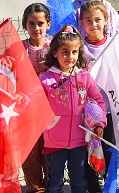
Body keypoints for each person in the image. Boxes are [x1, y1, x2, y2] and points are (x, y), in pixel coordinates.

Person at [39, 25, 107, 193]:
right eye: (65, 52)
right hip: (55, 140)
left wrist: (100, 125)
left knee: (79, 182)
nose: (70, 56)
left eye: (74, 52)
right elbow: (36, 106)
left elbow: (98, 101)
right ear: (55, 53)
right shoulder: (46, 79)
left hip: (79, 141)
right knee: (55, 182)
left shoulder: (84, 76)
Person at [79, 0, 116, 192]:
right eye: (88, 20)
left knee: (110, 149)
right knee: (88, 151)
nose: (94, 24)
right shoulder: (78, 49)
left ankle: (110, 186)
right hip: (85, 113)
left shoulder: (115, 45)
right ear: (82, 23)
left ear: (106, 20)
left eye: (98, 20)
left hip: (110, 110)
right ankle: (93, 187)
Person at [21, 3, 52, 193]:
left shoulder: (55, 47)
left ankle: (53, 186)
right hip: (27, 110)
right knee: (31, 153)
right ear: (25, 25)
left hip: (51, 109)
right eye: (31, 24)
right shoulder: (19, 49)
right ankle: (34, 188)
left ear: (48, 24)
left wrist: (47, 65)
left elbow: (68, 66)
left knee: (49, 150)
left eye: (40, 23)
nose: (36, 28)